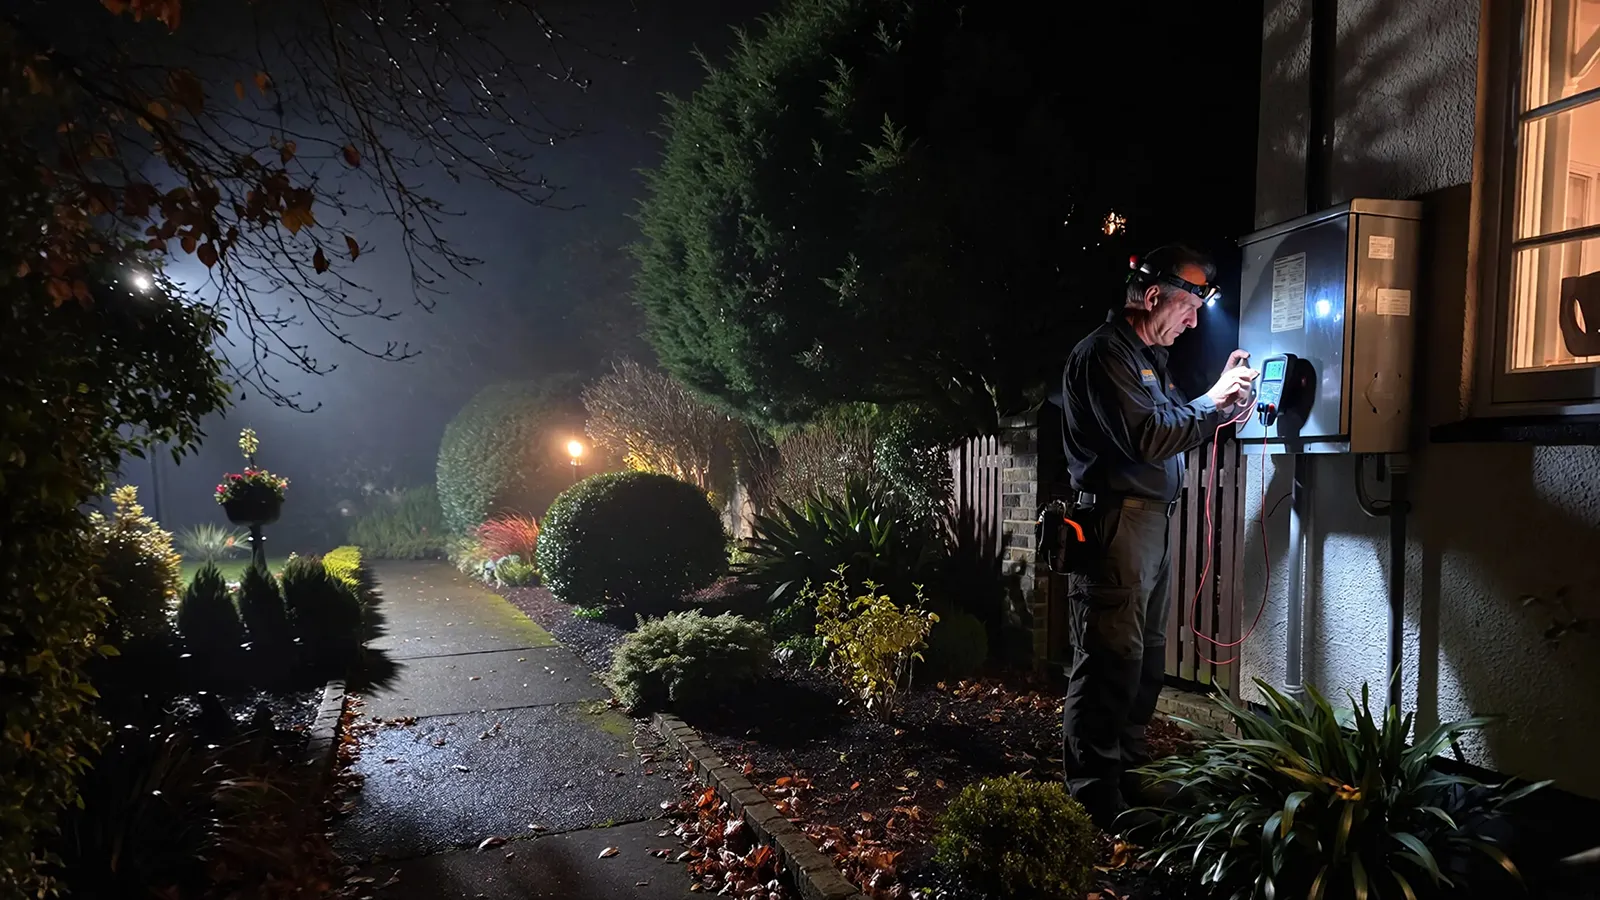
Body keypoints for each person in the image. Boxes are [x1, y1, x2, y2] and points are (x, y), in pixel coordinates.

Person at [1058, 243, 1257, 833]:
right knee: (1109, 659)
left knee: (1143, 657)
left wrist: (1217, 403)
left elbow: (1174, 422)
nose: (1196, 320)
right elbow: (1147, 437)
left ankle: (1128, 769)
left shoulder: (1147, 359)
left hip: (1148, 523)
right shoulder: (1102, 357)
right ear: (1151, 298)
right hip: (1116, 523)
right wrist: (1209, 404)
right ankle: (1094, 797)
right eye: (1190, 306)